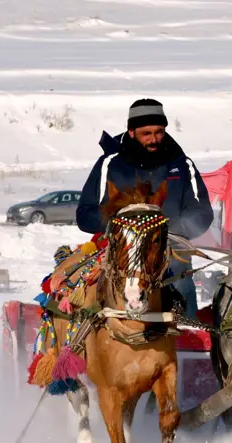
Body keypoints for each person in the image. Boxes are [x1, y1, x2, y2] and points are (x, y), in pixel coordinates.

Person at [76, 98, 213, 317]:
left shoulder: (180, 163)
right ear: (131, 132)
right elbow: (84, 213)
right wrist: (121, 225)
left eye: (159, 132)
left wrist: (170, 228)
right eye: (146, 133)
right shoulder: (110, 164)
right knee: (88, 285)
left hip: (168, 246)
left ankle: (187, 331)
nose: (154, 139)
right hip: (120, 246)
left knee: (178, 274)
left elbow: (202, 212)